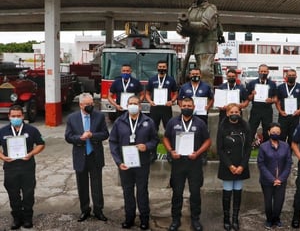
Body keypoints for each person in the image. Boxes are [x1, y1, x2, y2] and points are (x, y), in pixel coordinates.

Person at [109, 95, 159, 230]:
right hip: (125, 164)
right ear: (127, 105)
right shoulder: (120, 122)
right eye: (130, 103)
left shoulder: (148, 121)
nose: (133, 105)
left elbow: (155, 140)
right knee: (127, 191)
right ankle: (129, 218)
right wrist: (118, 162)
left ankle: (144, 219)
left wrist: (146, 146)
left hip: (142, 163)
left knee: (142, 191)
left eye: (135, 103)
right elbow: (113, 142)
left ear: (140, 106)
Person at [163, 97, 211, 231]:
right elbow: (166, 138)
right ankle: (175, 219)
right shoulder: (173, 122)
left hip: (194, 163)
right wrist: (171, 151)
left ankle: (195, 219)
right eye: (184, 105)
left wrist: (198, 153)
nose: (187, 107)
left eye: (189, 105)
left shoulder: (200, 123)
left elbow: (207, 141)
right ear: (180, 106)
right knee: (177, 193)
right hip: (178, 163)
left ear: (194, 106)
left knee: (195, 193)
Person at [65, 93, 109, 223]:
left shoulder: (99, 116)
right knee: (82, 185)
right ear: (80, 105)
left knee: (97, 185)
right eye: (87, 105)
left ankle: (98, 210)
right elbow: (68, 136)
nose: (90, 106)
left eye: (92, 104)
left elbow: (105, 134)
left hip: (95, 155)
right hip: (80, 156)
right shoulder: (72, 118)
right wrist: (79, 138)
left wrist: (92, 135)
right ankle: (85, 210)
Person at [0, 105, 45, 230]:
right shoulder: (2, 131)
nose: (16, 118)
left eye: (18, 116)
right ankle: (16, 218)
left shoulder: (32, 130)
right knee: (13, 194)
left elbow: (41, 144)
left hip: (27, 167)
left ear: (23, 116)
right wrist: (2, 157)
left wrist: (31, 153)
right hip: (10, 168)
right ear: (9, 117)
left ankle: (27, 218)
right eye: (13, 116)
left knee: (28, 194)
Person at [176, 0, 223, 88]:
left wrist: (188, 25)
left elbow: (205, 27)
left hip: (207, 43)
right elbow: (189, 30)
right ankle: (198, 94)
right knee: (197, 71)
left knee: (205, 71)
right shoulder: (191, 9)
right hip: (196, 43)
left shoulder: (211, 8)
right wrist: (182, 29)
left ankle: (207, 96)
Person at [217, 103, 252, 231]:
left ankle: (235, 219)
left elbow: (248, 148)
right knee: (227, 193)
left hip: (241, 165)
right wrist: (230, 165)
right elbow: (219, 149)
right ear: (227, 113)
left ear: (240, 112)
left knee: (237, 193)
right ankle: (226, 219)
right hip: (228, 165)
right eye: (231, 112)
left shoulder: (245, 126)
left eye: (236, 112)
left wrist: (242, 165)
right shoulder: (222, 126)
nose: (234, 114)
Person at [257, 123, 292, 229]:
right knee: (268, 203)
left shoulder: (285, 146)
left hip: (281, 180)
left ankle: (276, 219)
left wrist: (280, 179)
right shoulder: (263, 147)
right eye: (273, 132)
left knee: (279, 202)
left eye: (277, 132)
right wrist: (272, 179)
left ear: (280, 133)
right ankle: (269, 219)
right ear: (268, 133)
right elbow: (261, 164)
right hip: (267, 181)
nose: (275, 134)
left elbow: (288, 163)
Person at [178, 67, 213, 164]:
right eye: (193, 74)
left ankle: (203, 155)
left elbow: (211, 99)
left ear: (200, 75)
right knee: (185, 131)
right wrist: (183, 107)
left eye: (197, 74)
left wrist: (208, 107)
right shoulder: (184, 87)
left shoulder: (206, 87)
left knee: (202, 134)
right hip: (187, 115)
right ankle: (183, 151)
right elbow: (179, 99)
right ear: (190, 75)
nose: (195, 76)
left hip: (202, 115)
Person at [145, 60, 178, 162]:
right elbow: (147, 93)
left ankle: (169, 153)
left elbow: (176, 93)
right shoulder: (152, 80)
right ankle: (152, 153)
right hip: (154, 108)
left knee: (168, 131)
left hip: (166, 109)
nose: (162, 68)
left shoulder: (171, 80)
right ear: (157, 67)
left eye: (164, 67)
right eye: (160, 66)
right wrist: (150, 101)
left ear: (166, 68)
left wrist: (172, 101)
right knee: (153, 131)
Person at [275, 69, 300, 146]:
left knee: (293, 137)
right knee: (282, 136)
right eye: (289, 75)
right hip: (283, 116)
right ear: (286, 77)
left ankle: (289, 154)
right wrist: (280, 111)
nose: (291, 77)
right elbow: (277, 101)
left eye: (293, 75)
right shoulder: (281, 87)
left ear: (296, 76)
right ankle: (281, 153)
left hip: (295, 116)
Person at [247, 64, 277, 144]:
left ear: (268, 72)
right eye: (261, 71)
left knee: (267, 131)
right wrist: (252, 95)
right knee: (251, 130)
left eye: (265, 71)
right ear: (258, 72)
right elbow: (248, 98)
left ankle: (266, 150)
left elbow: (276, 98)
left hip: (267, 110)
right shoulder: (252, 83)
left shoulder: (272, 84)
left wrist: (271, 100)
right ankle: (247, 150)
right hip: (255, 109)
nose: (263, 73)